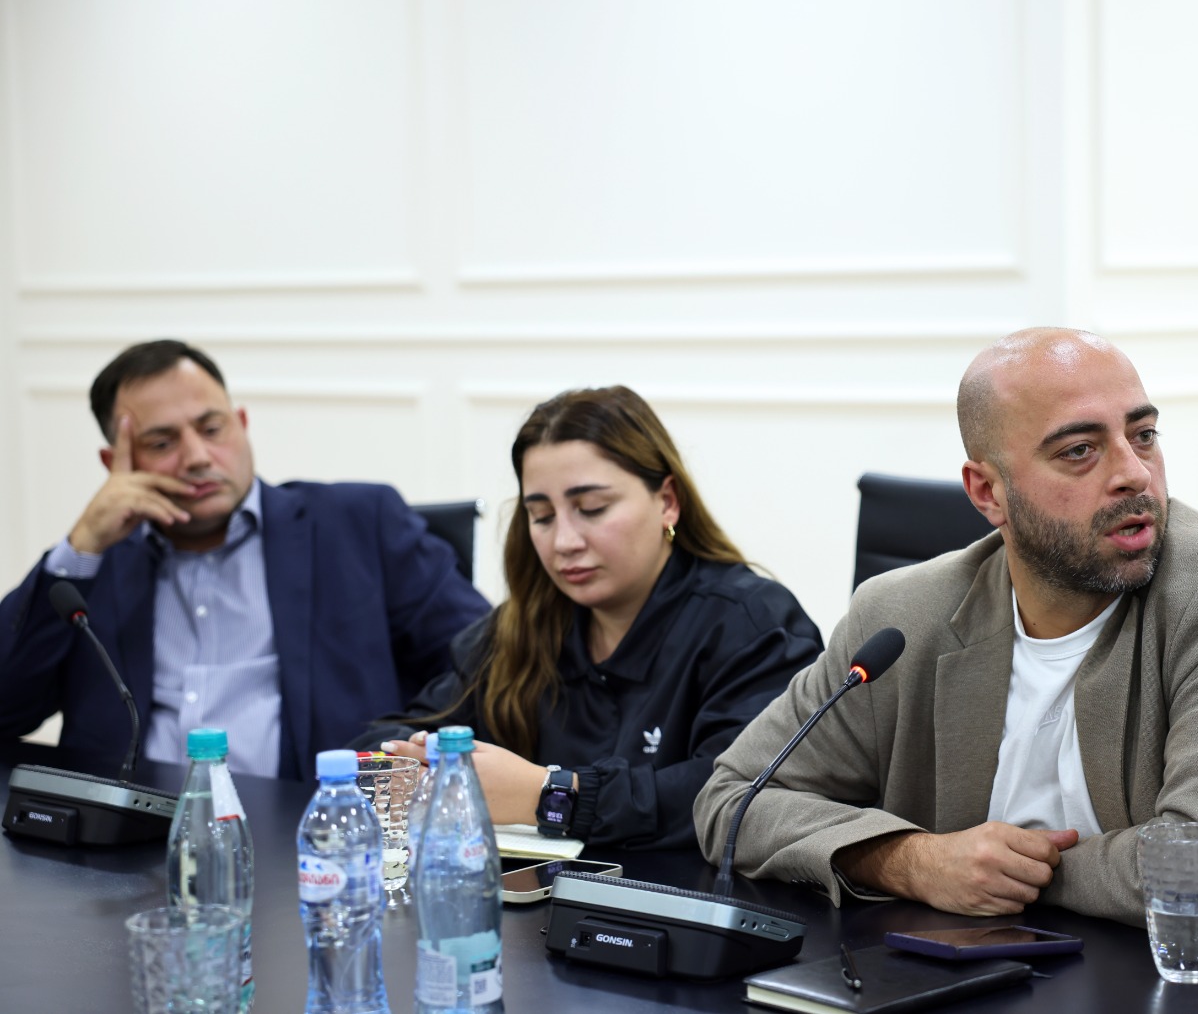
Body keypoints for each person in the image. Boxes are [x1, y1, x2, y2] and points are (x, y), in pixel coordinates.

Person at [694, 328, 1198, 944]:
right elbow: (733, 802)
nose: (1134, 474)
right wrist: (912, 861)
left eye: (1143, 436)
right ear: (987, 492)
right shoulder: (899, 615)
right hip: (979, 974)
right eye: (1079, 450)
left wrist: (1003, 874)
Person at [0, 340, 491, 780]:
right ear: (115, 464)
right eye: (162, 443)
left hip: (316, 830)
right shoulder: (92, 567)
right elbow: (7, 711)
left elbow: (491, 667)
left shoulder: (358, 525)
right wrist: (80, 547)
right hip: (124, 837)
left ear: (242, 424)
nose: (197, 456)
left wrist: (405, 754)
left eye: (212, 428)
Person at [363, 386, 823, 850]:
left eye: (592, 509)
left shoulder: (752, 623)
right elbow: (387, 735)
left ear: (667, 500)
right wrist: (414, 761)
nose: (564, 542)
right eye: (542, 516)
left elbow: (744, 797)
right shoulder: (523, 624)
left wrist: (549, 795)